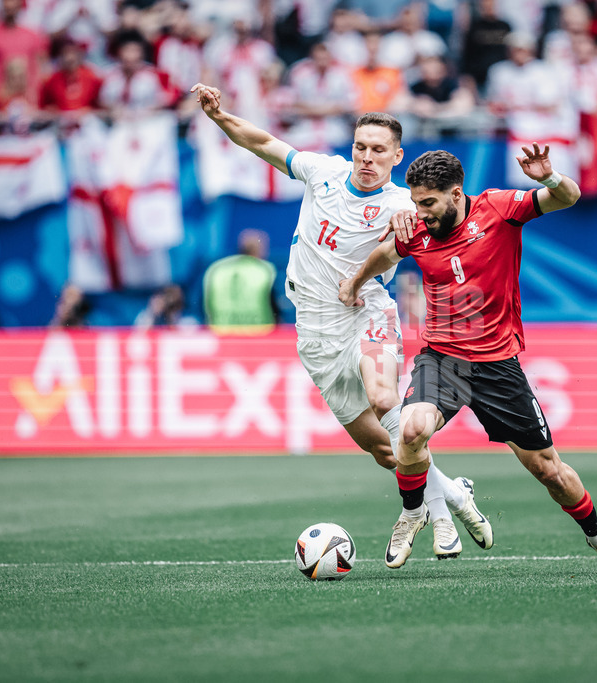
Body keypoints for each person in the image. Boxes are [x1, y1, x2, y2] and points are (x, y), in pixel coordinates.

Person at [191, 82, 492, 560]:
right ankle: (455, 495)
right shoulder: (323, 173)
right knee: (387, 452)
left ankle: (437, 520)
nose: (366, 157)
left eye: (378, 151)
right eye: (360, 147)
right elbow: (264, 143)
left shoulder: (402, 206)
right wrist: (218, 115)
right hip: (315, 330)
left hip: (367, 313)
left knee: (384, 397)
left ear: (396, 157)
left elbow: (448, 222)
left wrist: (407, 226)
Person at [339, 145, 597, 574]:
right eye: (415, 203)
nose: (420, 212)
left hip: (498, 365)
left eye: (428, 203)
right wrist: (354, 281)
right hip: (444, 359)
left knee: (549, 471)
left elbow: (567, 198)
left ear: (456, 193)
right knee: (410, 430)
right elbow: (387, 255)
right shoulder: (416, 230)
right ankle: (412, 513)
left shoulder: (499, 209)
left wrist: (549, 178)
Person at [203, 229, 281, 332]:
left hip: (222, 335)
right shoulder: (265, 271)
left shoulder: (217, 269)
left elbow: (205, 305)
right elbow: (275, 308)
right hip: (258, 335)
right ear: (260, 250)